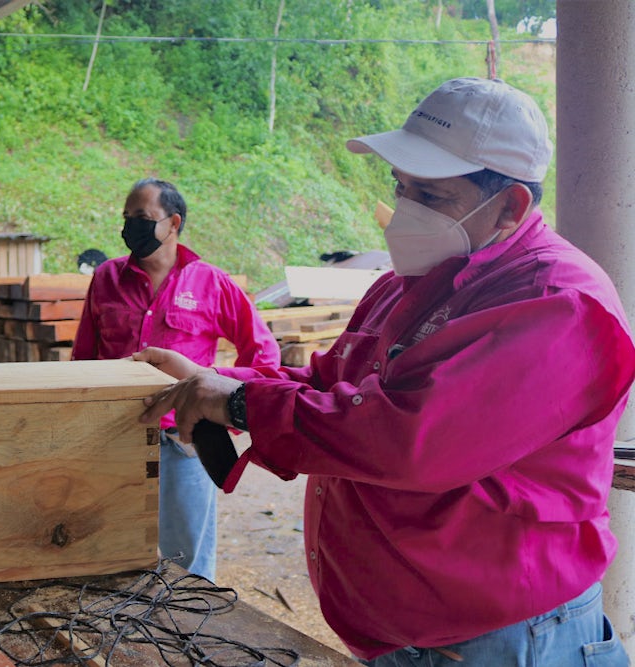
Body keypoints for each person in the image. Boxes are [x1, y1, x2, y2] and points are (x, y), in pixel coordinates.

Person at [134, 78, 635, 665]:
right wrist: (222, 382)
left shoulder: (555, 303)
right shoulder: (404, 286)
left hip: (505, 641)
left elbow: (413, 441)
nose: (405, 210)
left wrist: (241, 406)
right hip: (409, 637)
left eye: (430, 194)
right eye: (401, 188)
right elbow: (326, 387)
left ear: (510, 206)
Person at [72, 178, 280, 581]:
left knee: (189, 562)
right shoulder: (106, 279)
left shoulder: (211, 283)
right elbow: (83, 356)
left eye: (143, 217)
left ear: (173, 223)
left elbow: (264, 355)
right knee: (110, 548)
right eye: (127, 217)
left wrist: (223, 401)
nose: (132, 226)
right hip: (113, 436)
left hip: (184, 441)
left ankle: (192, 631)